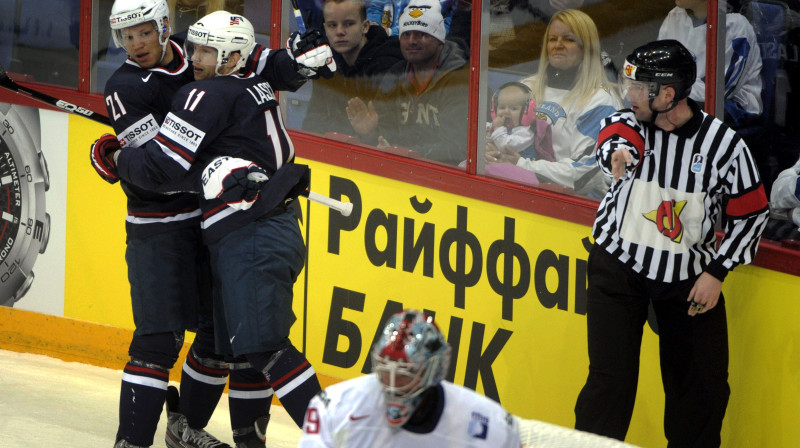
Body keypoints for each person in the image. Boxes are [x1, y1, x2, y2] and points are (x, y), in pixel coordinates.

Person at [91, 2, 330, 447]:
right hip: (162, 222)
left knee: (224, 340)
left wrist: (295, 63)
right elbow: (156, 176)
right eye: (125, 35)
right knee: (159, 342)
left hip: (216, 221)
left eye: (144, 32)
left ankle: (187, 430)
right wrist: (130, 161)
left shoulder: (201, 57)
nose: (136, 44)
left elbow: (266, 62)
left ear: (165, 28)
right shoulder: (126, 86)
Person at [573, 40, 770, 447]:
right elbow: (614, 138)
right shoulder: (629, 123)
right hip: (618, 265)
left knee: (700, 393)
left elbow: (752, 213)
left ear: (667, 94)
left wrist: (717, 272)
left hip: (686, 280)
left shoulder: (723, 145)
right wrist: (617, 155)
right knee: (608, 387)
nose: (628, 95)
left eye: (637, 86)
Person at [297, 309, 521, 447]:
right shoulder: (333, 407)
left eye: (406, 374)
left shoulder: (489, 423)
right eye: (386, 370)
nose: (393, 383)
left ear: (433, 370)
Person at [487, 9, 621, 197]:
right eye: (552, 39)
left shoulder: (600, 103)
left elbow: (583, 175)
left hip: (573, 205)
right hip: (517, 190)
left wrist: (521, 165)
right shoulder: (526, 89)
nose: (558, 45)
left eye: (569, 39)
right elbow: (494, 131)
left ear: (587, 47)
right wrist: (488, 152)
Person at [346, 0, 470, 166]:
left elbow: (457, 148)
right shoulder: (395, 75)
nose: (411, 41)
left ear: (439, 39)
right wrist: (370, 133)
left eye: (421, 34)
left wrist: (404, 153)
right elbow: (386, 140)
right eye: (406, 34)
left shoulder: (457, 79)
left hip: (445, 177)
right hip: (403, 169)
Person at [302, 0, 403, 137]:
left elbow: (396, 138)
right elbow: (312, 122)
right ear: (325, 28)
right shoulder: (325, 63)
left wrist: (370, 132)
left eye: (349, 24)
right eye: (332, 25)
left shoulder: (388, 67)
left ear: (365, 26)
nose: (340, 32)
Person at [658, 0, 762, 128]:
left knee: (668, 113)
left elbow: (718, 91)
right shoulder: (674, 16)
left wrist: (666, 91)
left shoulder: (736, 25)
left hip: (735, 107)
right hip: (682, 96)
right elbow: (660, 68)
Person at [486, 81, 553, 162]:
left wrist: (497, 128)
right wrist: (489, 134)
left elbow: (505, 146)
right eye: (502, 107)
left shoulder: (526, 133)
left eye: (513, 108)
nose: (506, 112)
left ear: (526, 113)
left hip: (522, 171)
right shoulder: (501, 127)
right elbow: (489, 143)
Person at [367, 0, 458, 38]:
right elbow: (376, 8)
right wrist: (374, 25)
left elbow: (422, 20)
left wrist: (389, 32)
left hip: (421, 42)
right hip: (383, 38)